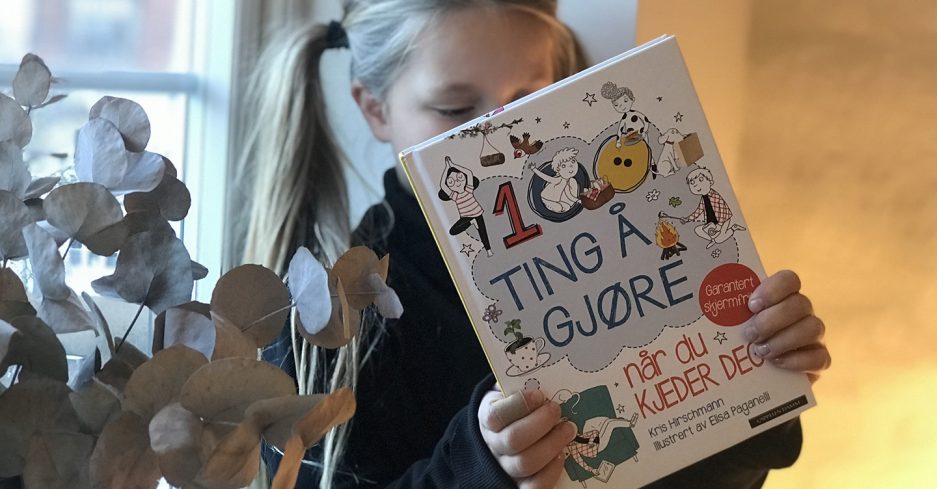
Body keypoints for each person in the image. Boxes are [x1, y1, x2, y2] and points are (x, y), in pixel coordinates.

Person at [234, 1, 832, 488]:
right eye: (454, 109)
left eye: (526, 102)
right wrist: (481, 466)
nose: (495, 137)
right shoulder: (328, 321)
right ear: (374, 108)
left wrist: (753, 380)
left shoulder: (634, 237)